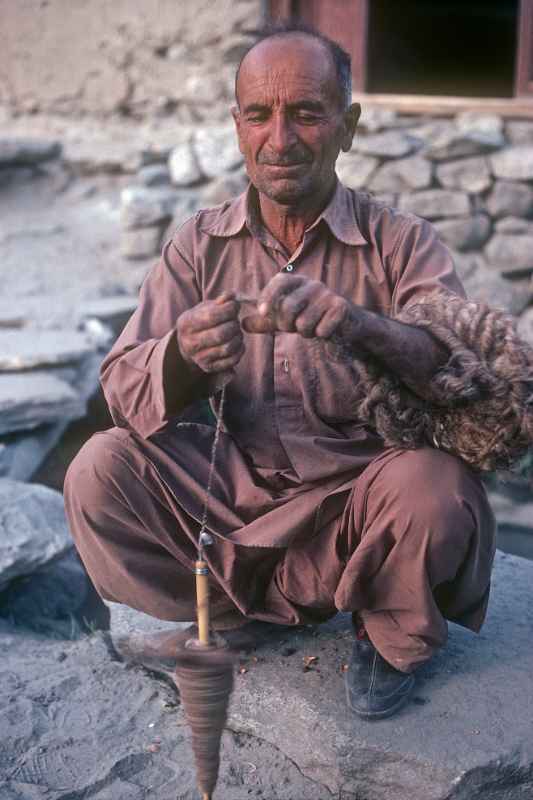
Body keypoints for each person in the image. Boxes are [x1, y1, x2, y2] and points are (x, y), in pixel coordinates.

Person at [64, 25, 497, 720]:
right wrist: (180, 356)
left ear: (347, 127)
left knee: (437, 488)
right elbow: (120, 390)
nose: (280, 139)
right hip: (236, 503)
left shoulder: (400, 242)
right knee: (98, 468)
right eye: (259, 115)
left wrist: (359, 324)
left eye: (305, 112)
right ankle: (240, 611)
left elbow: (464, 372)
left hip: (359, 505)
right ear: (236, 128)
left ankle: (386, 631)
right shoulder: (198, 245)